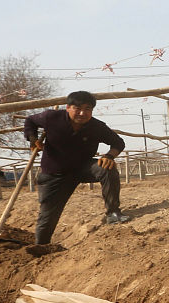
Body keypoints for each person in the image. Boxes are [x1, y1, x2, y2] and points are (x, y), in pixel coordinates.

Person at [23, 91, 129, 247]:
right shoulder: (51, 118)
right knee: (48, 214)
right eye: (77, 108)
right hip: (55, 174)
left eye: (87, 109)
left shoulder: (97, 127)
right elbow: (30, 121)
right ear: (67, 108)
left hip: (83, 168)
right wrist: (32, 139)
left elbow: (118, 143)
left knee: (107, 168)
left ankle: (113, 213)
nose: (82, 113)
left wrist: (109, 156)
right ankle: (41, 246)